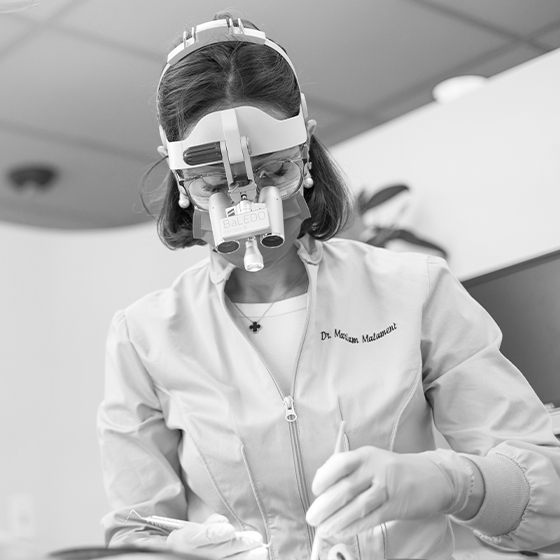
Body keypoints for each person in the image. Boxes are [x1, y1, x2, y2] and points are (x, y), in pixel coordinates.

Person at [97, 12, 560, 560]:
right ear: (179, 180)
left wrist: (447, 480)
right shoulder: (145, 336)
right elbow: (134, 533)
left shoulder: (414, 292)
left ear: (306, 152)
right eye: (213, 185)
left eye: (274, 173)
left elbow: (547, 502)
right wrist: (174, 551)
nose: (248, 206)